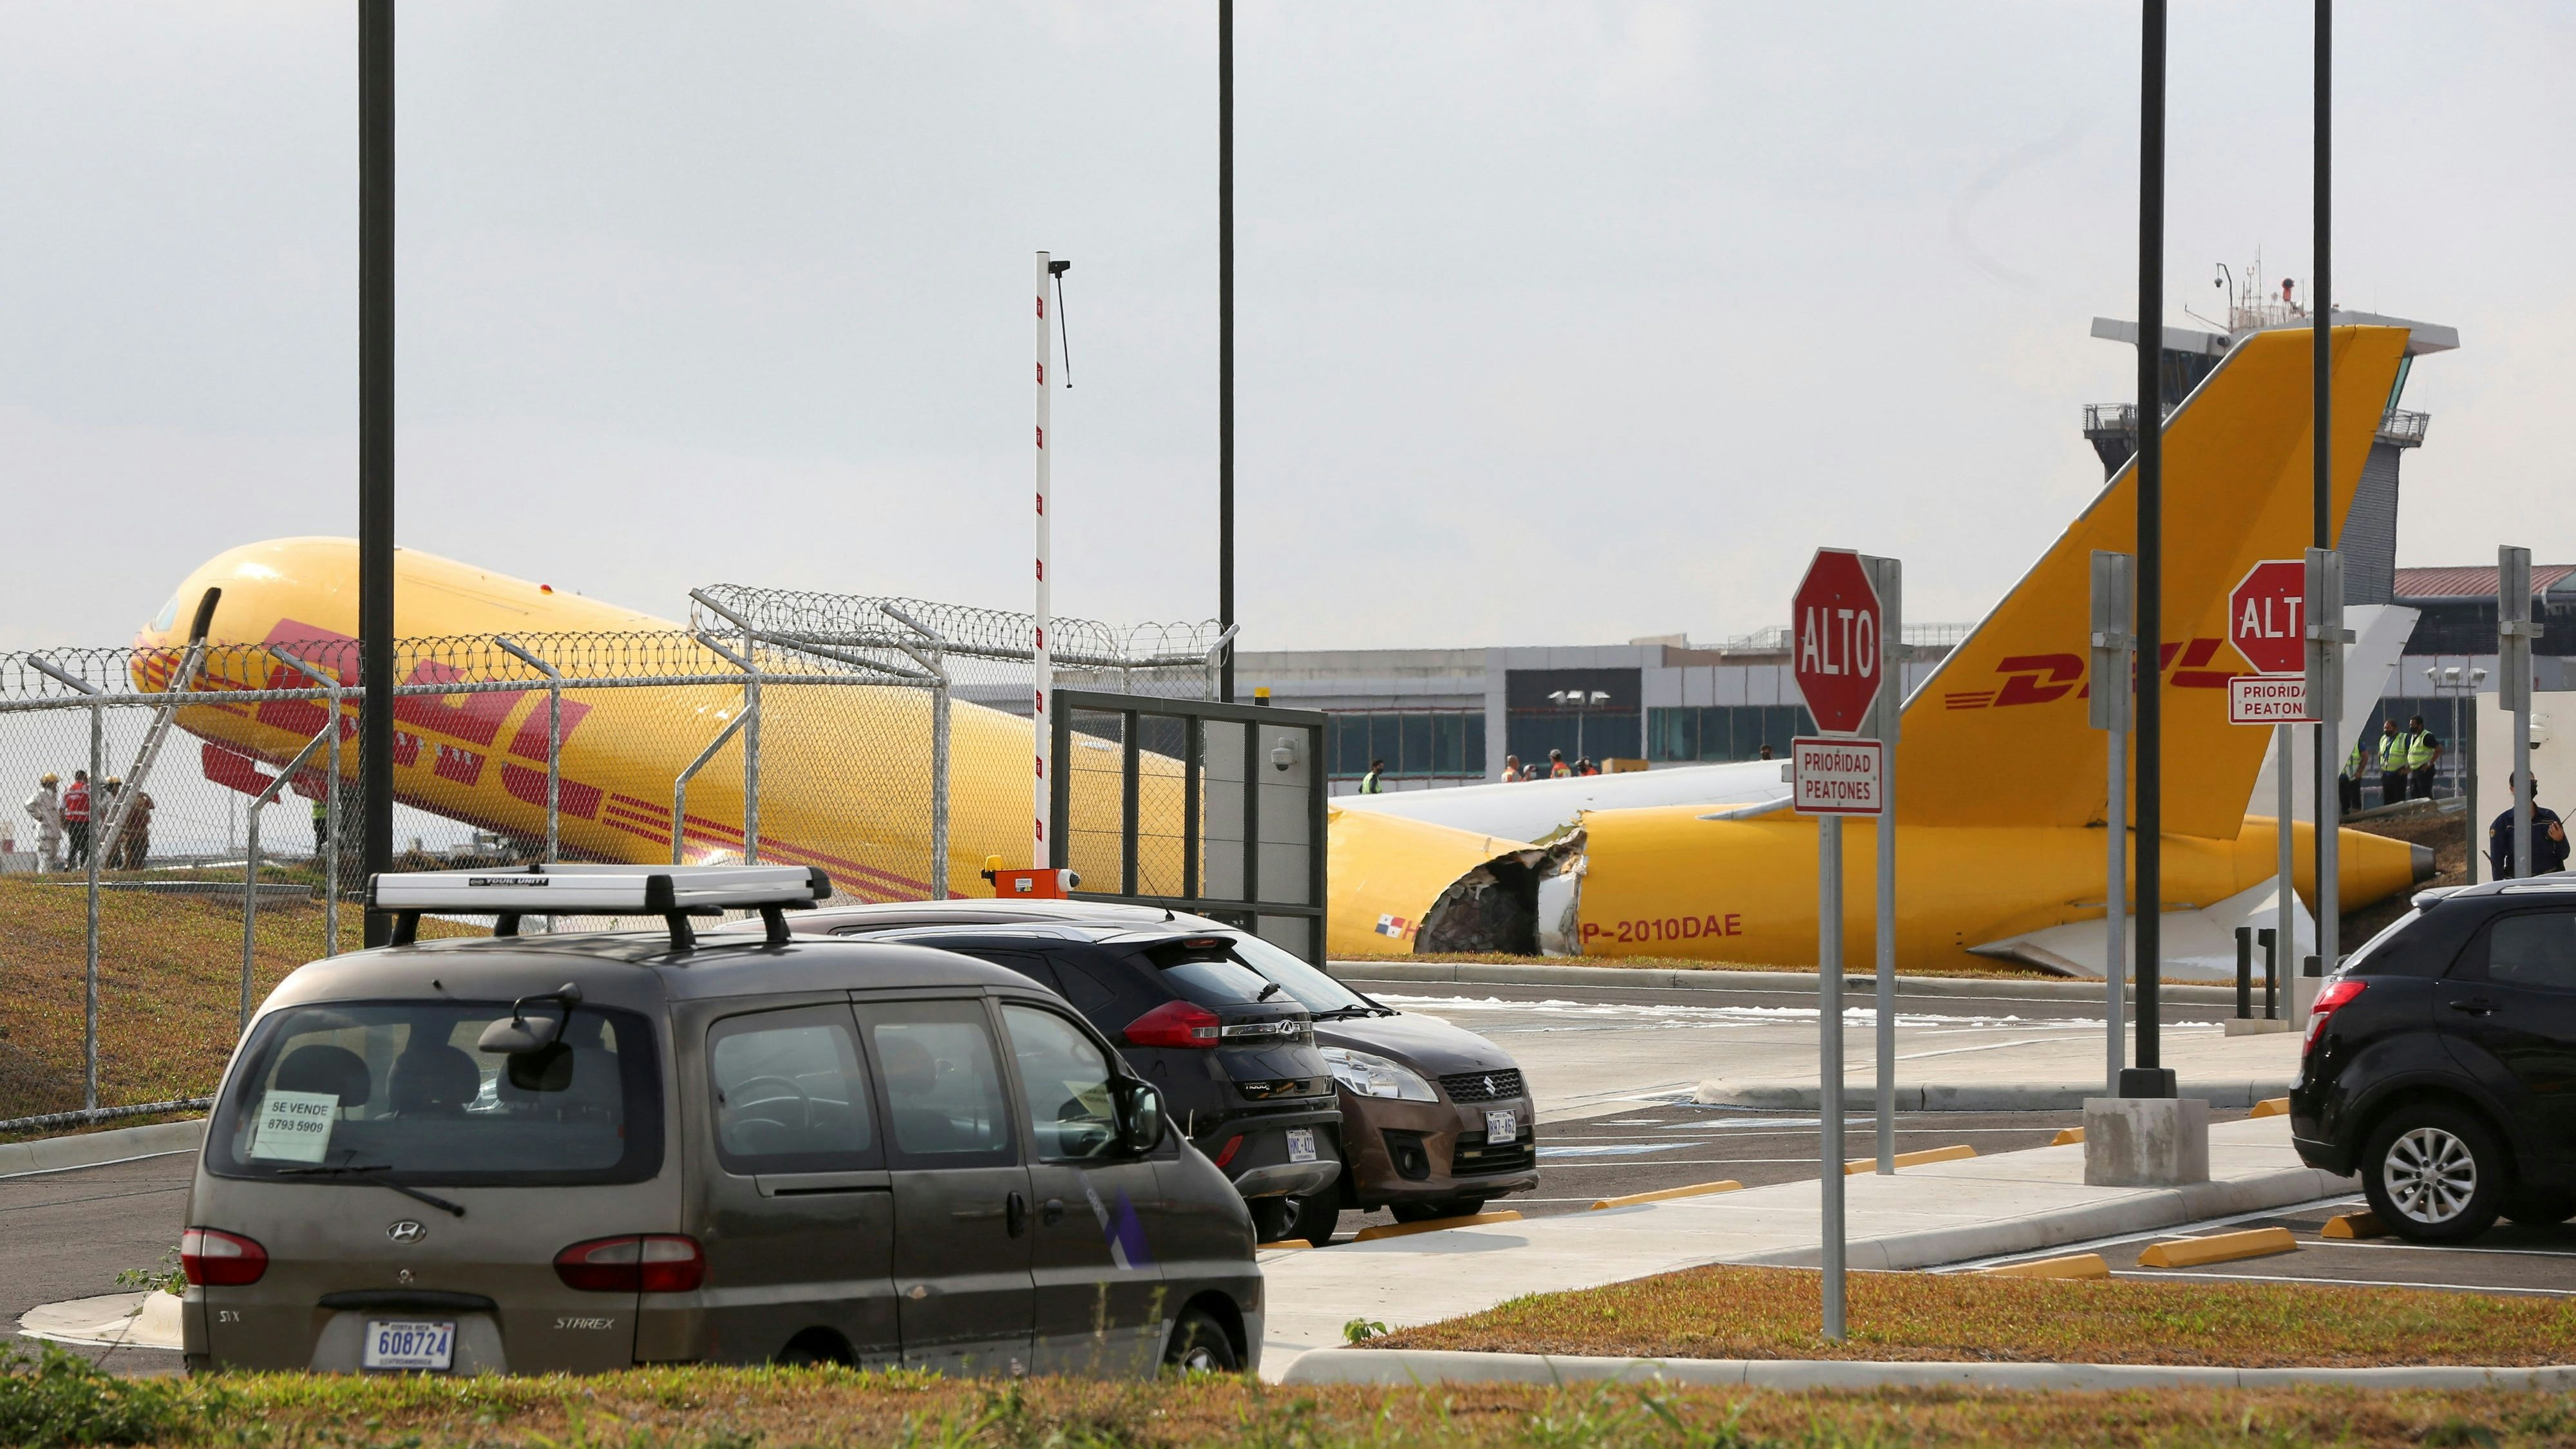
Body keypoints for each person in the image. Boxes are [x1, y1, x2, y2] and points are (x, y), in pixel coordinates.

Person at [2487, 773, 2571, 879]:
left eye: (2531, 783)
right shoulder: (2503, 824)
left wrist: (2560, 839)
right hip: (2519, 885)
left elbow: (2564, 854)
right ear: (2513, 789)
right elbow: (2497, 864)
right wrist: (2500, 891)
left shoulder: (2549, 817)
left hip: (2551, 883)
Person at [21, 773, 62, 873]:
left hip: (53, 831)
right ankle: (44, 876)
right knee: (45, 856)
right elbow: (28, 804)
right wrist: (38, 816)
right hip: (45, 830)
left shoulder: (52, 797)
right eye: (55, 784)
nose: (56, 787)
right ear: (50, 784)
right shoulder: (42, 794)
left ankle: (47, 876)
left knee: (52, 856)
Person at [2404, 714, 2443, 800]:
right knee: (2414, 794)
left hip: (2424, 770)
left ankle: (2430, 812)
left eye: (2413, 725)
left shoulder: (2426, 737)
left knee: (2425, 795)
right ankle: (2418, 813)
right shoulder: (2414, 737)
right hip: (2415, 771)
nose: (2411, 727)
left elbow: (2439, 749)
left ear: (2420, 725)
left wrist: (2430, 764)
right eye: (2410, 725)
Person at [114, 785, 154, 870]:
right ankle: (128, 868)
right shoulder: (127, 801)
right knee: (131, 855)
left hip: (142, 833)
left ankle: (135, 869)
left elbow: (152, 806)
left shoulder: (141, 800)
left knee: (140, 855)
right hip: (131, 834)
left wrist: (146, 796)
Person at [2373, 720, 2407, 808]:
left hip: (2398, 775)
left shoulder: (2403, 739)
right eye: (2385, 728)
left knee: (2399, 800)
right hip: (2386, 775)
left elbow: (2412, 754)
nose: (2386, 730)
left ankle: (2399, 818)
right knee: (2387, 800)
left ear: (2395, 729)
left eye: (2388, 728)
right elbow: (2381, 753)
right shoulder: (2383, 739)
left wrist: (2408, 770)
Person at [61, 770, 91, 868]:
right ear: (85, 777)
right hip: (85, 821)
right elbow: (93, 803)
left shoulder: (68, 789)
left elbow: (62, 808)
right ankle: (81, 865)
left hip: (72, 821)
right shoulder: (87, 788)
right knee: (86, 844)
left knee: (73, 844)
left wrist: (63, 821)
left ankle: (68, 864)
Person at [2338, 741, 2363, 815]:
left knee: (2355, 800)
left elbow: (2365, 756)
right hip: (2342, 776)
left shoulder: (2357, 742)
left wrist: (2359, 772)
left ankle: (2357, 819)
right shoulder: (2338, 742)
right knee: (2344, 800)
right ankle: (2345, 817)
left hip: (2353, 777)